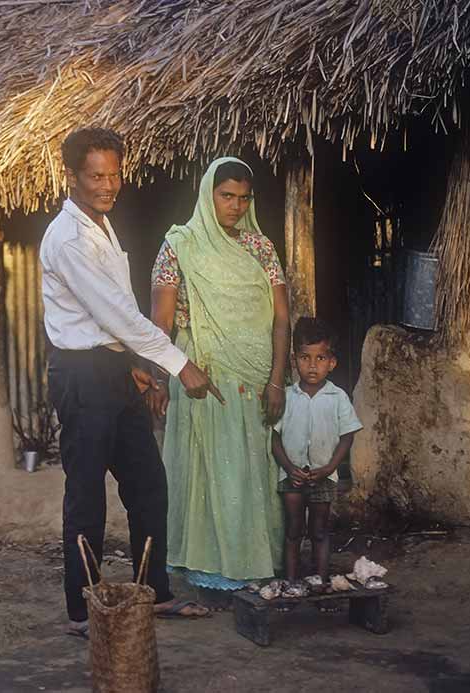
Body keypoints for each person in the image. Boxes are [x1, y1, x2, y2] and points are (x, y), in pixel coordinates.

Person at [40, 128, 218, 639]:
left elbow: (112, 320)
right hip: (81, 375)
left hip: (113, 369)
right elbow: (119, 313)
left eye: (115, 174)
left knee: (147, 484)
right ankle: (84, 611)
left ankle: (152, 591)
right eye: (96, 176)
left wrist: (131, 361)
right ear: (71, 177)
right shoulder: (69, 238)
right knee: (87, 496)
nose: (108, 184)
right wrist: (178, 363)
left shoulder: (100, 224)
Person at [149, 157, 291, 594]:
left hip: (255, 376)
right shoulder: (180, 245)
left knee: (252, 468)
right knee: (209, 471)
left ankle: (253, 563)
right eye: (227, 195)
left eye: (243, 197)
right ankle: (210, 572)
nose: (235, 205)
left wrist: (275, 380)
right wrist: (158, 377)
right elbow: (162, 320)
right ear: (209, 194)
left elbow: (281, 319)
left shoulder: (261, 248)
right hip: (202, 375)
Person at [271, 317, 363, 597]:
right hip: (292, 478)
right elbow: (274, 438)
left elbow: (347, 436)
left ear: (332, 362)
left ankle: (320, 583)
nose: (312, 365)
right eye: (305, 357)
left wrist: (329, 468)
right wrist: (289, 467)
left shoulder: (338, 398)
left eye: (320, 358)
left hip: (324, 476)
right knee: (293, 531)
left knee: (320, 532)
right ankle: (290, 583)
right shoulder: (286, 397)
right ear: (294, 360)